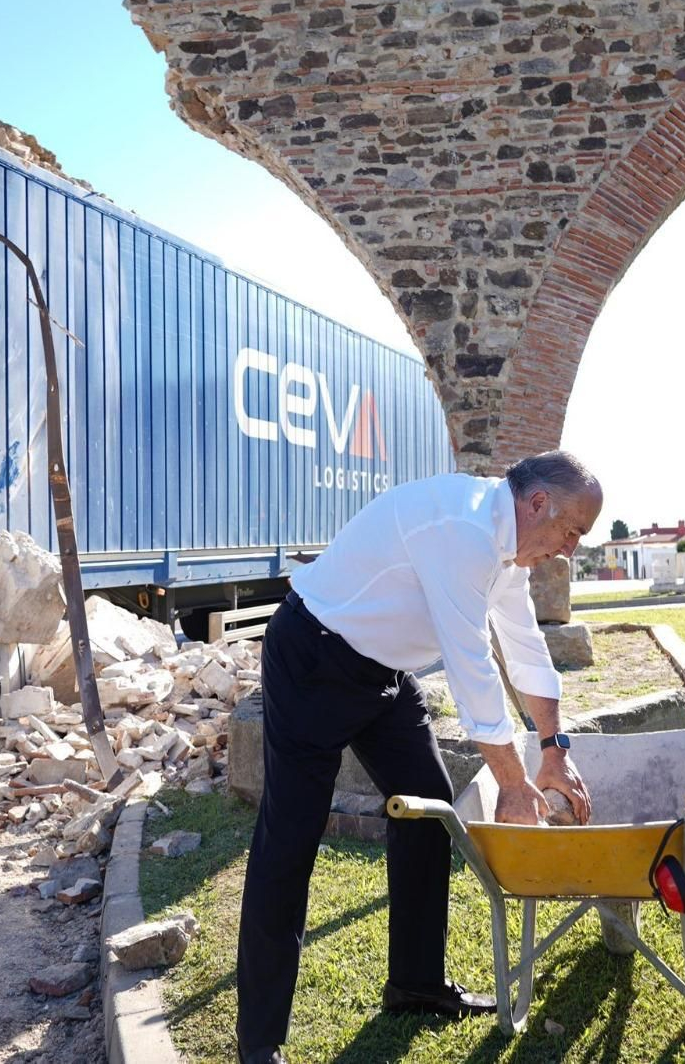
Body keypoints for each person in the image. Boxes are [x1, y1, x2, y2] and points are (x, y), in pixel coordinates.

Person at [235, 450, 604, 1064]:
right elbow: (472, 667)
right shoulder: (461, 531)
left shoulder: (510, 544)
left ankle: (415, 984)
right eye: (572, 531)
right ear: (538, 503)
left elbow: (524, 643)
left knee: (431, 816)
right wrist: (513, 783)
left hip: (382, 672)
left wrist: (553, 748)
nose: (569, 549)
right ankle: (259, 1043)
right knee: (289, 839)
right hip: (314, 658)